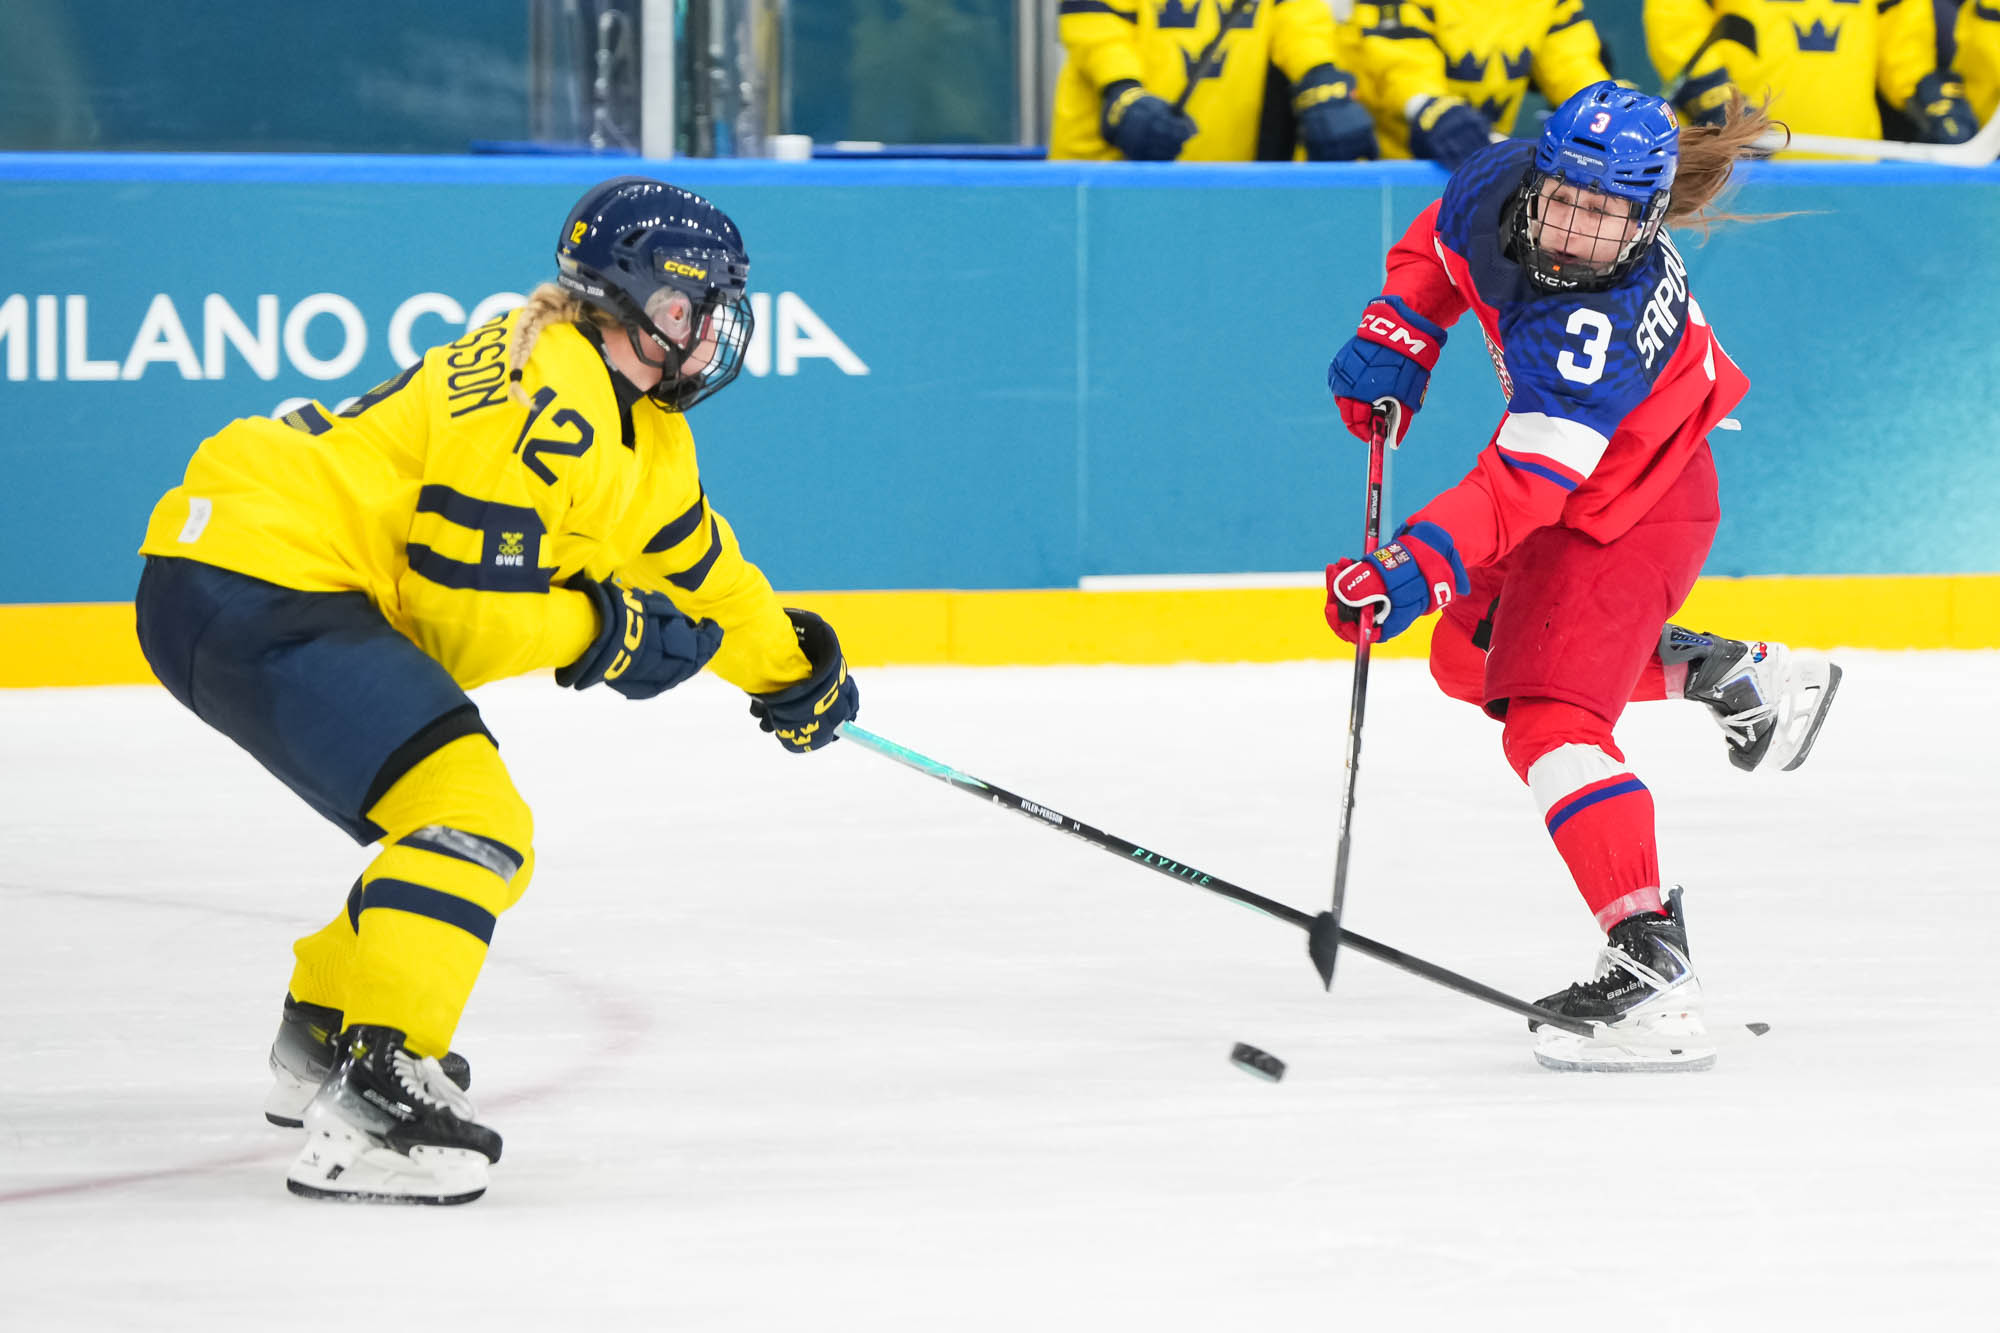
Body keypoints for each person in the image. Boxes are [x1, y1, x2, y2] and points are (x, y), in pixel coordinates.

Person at [133, 176, 861, 1203]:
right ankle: (376, 1102)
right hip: (264, 582)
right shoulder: (545, 399)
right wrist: (605, 634)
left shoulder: (636, 425)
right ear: (640, 302)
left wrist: (792, 671)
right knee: (474, 823)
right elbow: (455, 627)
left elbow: (704, 578)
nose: (714, 333)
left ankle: (327, 1028)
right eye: (695, 308)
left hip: (243, 573)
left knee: (456, 824)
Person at [1319, 83, 1841, 1072]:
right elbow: (1439, 245)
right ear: (1536, 176)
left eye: (1608, 217)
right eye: (1565, 201)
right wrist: (1402, 326)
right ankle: (1726, 674)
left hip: (1635, 504)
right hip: (1578, 489)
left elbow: (1521, 486)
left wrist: (1413, 567)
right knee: (1467, 662)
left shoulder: (1593, 327)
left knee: (1550, 722)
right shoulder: (1493, 179)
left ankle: (1651, 968)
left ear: (1646, 219)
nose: (1578, 233)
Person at [1049, 0, 1378, 162]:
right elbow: (1096, 24)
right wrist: (1122, 89)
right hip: (1107, 173)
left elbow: (1297, 18)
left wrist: (1319, 74)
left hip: (1229, 179)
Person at [1646, 0, 1975, 147]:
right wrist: (1714, 97)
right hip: (1738, 168)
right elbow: (1676, 21)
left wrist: (1929, 97)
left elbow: (1901, 40)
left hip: (1852, 163)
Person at [1340, 0, 1620, 171]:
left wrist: (1615, 107)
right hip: (1383, 167)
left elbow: (1572, 62)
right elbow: (1399, 65)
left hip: (1481, 165)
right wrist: (1433, 109)